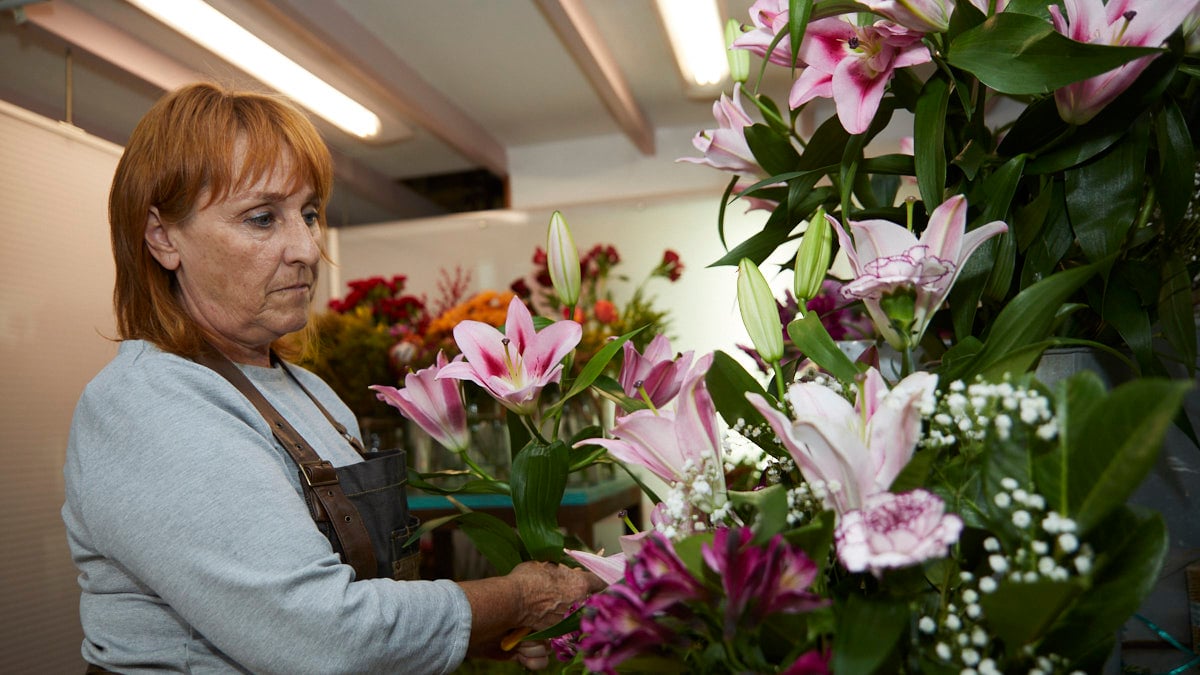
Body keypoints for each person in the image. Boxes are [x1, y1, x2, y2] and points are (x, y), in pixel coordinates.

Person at [62, 82, 599, 674]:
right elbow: (322, 636)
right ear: (163, 237)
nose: (308, 248)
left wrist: (483, 630)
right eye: (263, 218)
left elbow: (363, 600)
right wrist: (516, 598)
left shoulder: (310, 394)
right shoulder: (148, 407)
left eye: (310, 214)